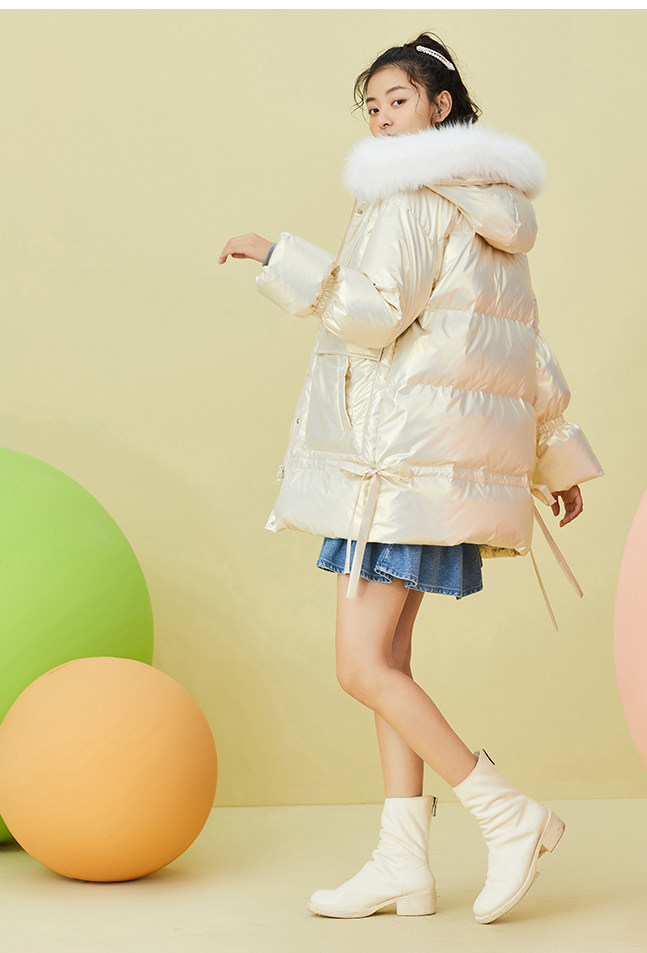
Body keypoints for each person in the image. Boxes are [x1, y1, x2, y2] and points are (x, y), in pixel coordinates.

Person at [219, 32, 603, 925]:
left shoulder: (406, 194)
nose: (383, 117)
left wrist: (277, 256)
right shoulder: (490, 205)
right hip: (439, 470)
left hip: (393, 468)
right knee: (389, 662)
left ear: (441, 105)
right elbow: (521, 346)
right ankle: (404, 863)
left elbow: (372, 313)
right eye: (373, 105)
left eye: (398, 100)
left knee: (362, 666)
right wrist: (555, 453)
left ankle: (507, 812)